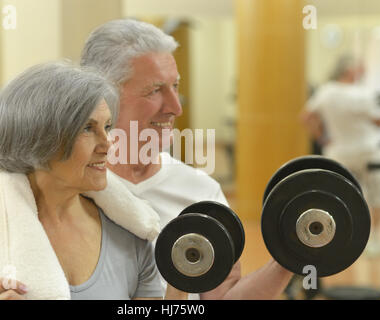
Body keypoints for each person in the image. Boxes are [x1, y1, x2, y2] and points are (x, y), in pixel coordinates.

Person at [80, 19, 293, 299]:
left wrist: (289, 257)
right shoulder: (68, 187)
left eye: (175, 86)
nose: (176, 107)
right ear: (104, 96)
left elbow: (221, 299)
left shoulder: (200, 192)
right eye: (155, 90)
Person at [0, 62, 172, 300]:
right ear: (38, 139)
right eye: (87, 128)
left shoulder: (130, 235)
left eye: (107, 126)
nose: (108, 143)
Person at [302, 55, 380, 253]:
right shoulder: (363, 93)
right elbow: (378, 121)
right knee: (376, 196)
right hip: (369, 153)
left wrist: (322, 137)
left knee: (341, 196)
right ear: (350, 70)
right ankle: (373, 240)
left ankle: (342, 238)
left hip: (339, 154)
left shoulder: (326, 91)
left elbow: (306, 117)